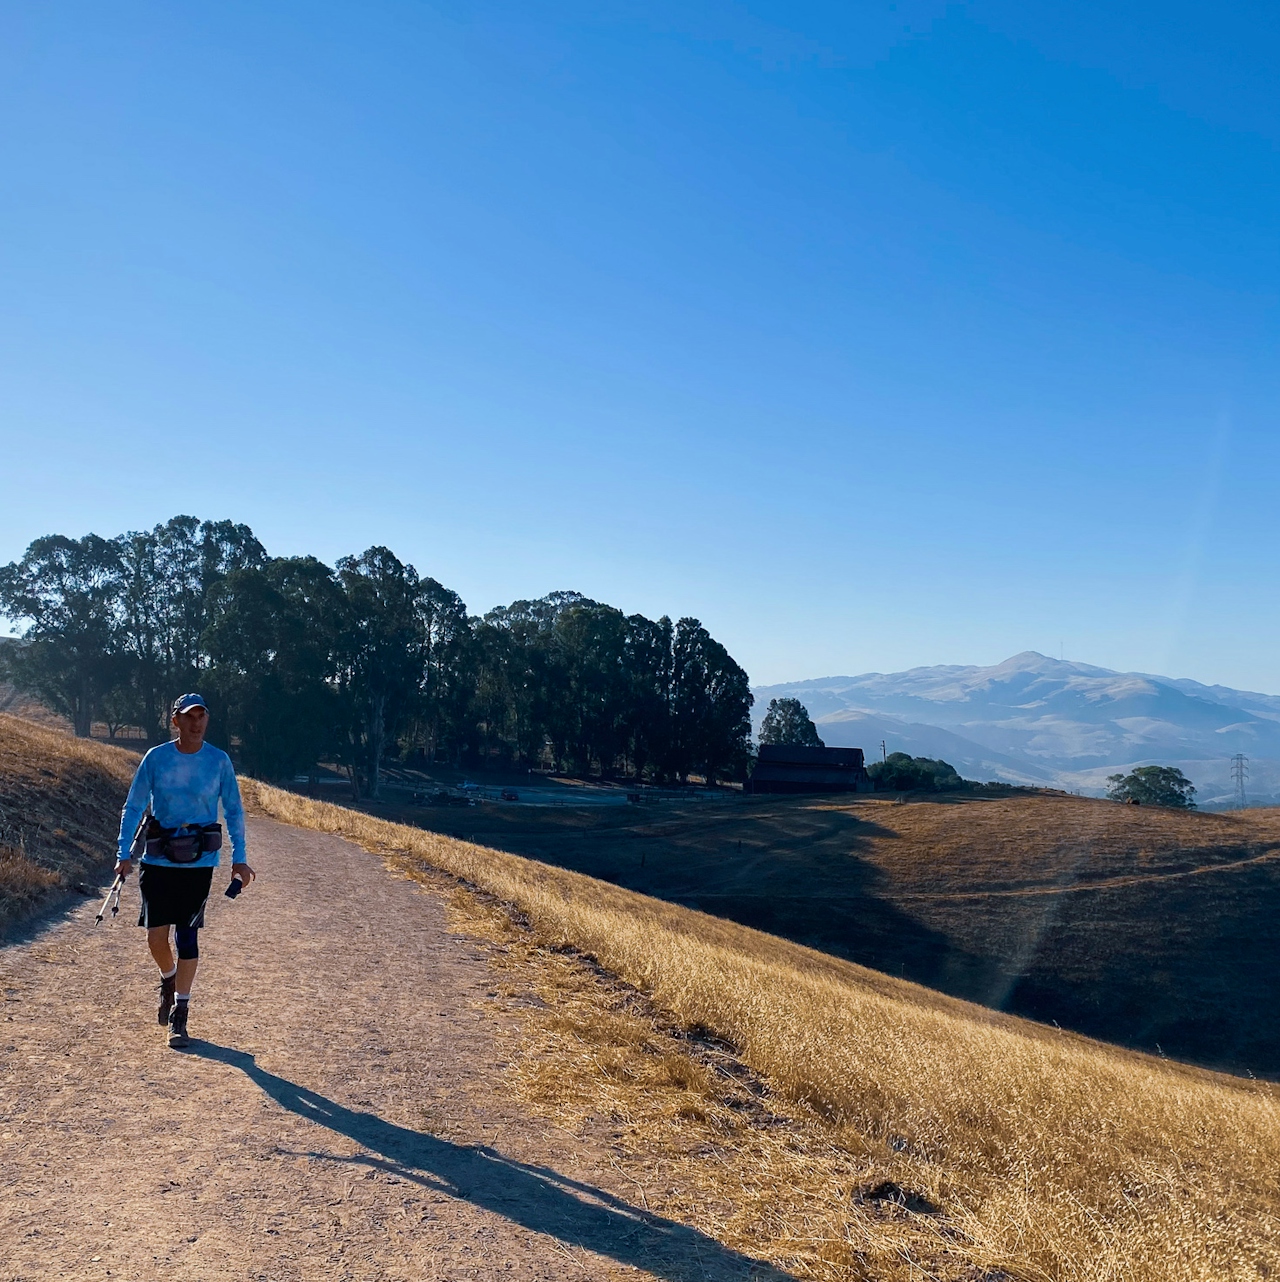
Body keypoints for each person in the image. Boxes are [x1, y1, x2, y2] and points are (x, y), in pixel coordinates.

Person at [115, 694, 255, 1048]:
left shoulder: (219, 761)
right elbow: (134, 806)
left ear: (207, 720)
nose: (196, 723)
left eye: (202, 716)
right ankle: (169, 977)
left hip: (199, 864)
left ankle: (180, 1013)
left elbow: (235, 811)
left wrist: (240, 858)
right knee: (156, 938)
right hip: (158, 861)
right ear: (175, 721)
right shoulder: (157, 758)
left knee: (187, 937)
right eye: (189, 717)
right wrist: (123, 853)